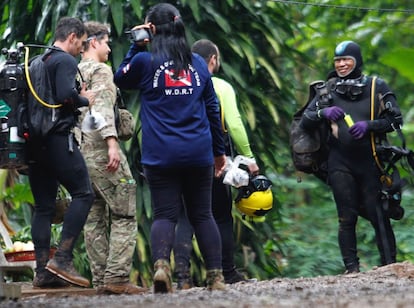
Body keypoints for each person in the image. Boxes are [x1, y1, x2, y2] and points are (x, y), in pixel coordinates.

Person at [114, 3, 227, 293]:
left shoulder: (145, 61)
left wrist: (137, 46)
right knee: (202, 214)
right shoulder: (198, 63)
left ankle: (162, 267)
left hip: (160, 154)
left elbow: (119, 77)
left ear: (150, 28)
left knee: (165, 214)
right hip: (198, 152)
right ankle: (216, 278)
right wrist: (219, 152)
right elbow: (212, 109)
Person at [300, 41, 403, 273]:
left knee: (378, 214)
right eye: (338, 60)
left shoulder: (377, 86)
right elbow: (306, 120)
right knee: (346, 217)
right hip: (339, 162)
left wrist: (369, 126)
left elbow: (396, 121)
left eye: (347, 60)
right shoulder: (327, 90)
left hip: (371, 162)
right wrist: (323, 112)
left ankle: (391, 265)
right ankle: (352, 269)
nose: (342, 64)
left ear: (356, 61)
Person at [173, 39, 259, 289]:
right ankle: (226, 272)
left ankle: (182, 278)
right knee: (220, 215)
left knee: (185, 216)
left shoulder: (179, 82)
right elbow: (233, 124)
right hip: (211, 154)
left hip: (177, 153)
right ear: (212, 59)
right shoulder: (219, 85)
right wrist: (249, 157)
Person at [77, 21, 147, 295]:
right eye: (106, 42)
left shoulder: (73, 71)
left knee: (93, 218)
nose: (108, 48)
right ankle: (116, 278)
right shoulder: (101, 71)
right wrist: (112, 144)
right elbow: (104, 108)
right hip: (103, 153)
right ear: (93, 42)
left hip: (79, 157)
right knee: (125, 211)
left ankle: (100, 281)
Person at [27, 17, 96, 288]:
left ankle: (43, 272)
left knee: (43, 207)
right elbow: (67, 95)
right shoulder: (65, 61)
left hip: (35, 144)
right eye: (81, 42)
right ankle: (63, 258)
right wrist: (85, 100)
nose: (82, 48)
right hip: (57, 139)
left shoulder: (38, 61)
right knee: (84, 193)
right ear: (72, 37)